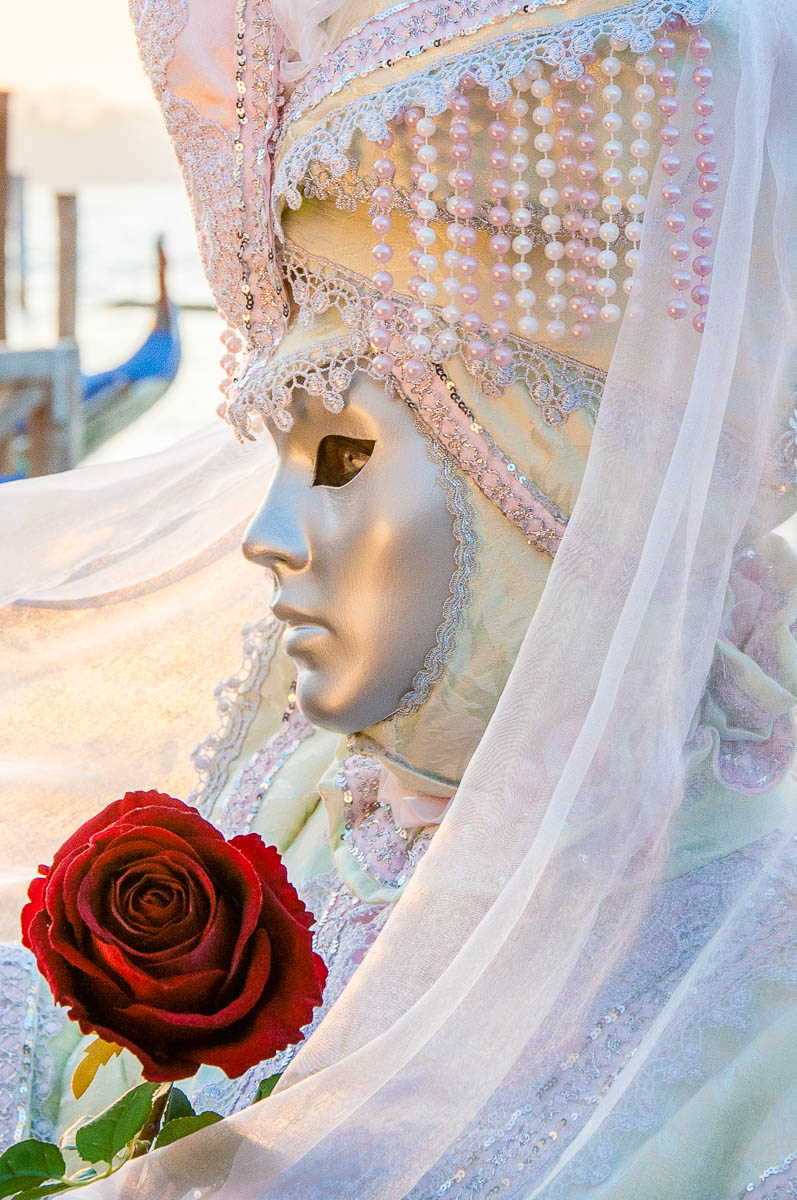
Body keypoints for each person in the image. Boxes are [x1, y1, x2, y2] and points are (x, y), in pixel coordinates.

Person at [0, 0, 795, 1195]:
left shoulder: (757, 993)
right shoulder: (298, 802)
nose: (269, 541)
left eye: (334, 458)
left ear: (553, 489)